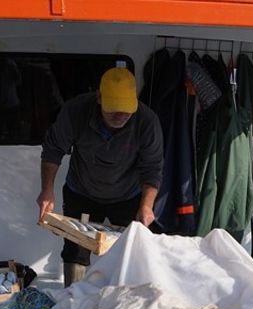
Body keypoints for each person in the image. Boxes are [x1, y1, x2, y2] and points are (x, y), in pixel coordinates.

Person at [38, 67, 164, 286]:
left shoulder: (147, 121)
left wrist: (146, 206)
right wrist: (47, 190)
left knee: (133, 250)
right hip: (82, 191)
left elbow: (152, 168)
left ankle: (126, 300)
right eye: (113, 110)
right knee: (75, 250)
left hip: (128, 195)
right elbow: (53, 150)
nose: (120, 116)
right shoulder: (76, 111)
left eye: (126, 111)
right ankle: (73, 298)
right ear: (99, 98)